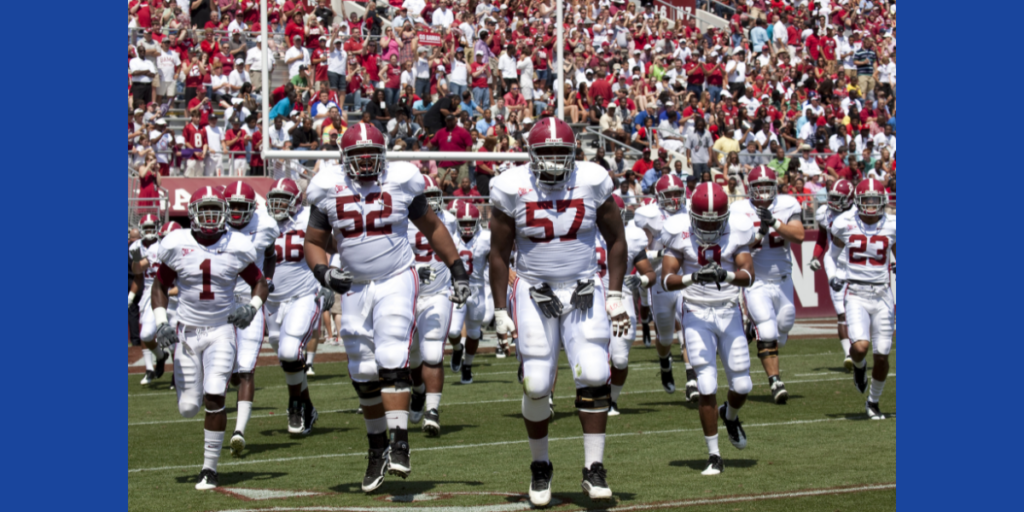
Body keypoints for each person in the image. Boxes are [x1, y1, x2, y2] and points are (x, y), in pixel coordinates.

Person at [303, 122, 470, 492]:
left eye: (372, 156)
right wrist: (324, 273)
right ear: (343, 159)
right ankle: (377, 447)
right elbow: (313, 241)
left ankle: (400, 444)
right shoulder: (328, 186)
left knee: (393, 352)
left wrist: (456, 266)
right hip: (356, 285)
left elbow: (432, 226)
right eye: (358, 157)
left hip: (397, 276)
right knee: (362, 369)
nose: (365, 164)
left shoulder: (402, 179)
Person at [488, 117, 626, 506]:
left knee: (596, 372)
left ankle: (593, 468)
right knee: (535, 383)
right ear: (531, 154)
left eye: (559, 153)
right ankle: (540, 465)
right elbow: (498, 255)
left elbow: (617, 239)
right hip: (534, 291)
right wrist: (501, 309)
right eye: (544, 152)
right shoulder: (510, 186)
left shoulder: (592, 180)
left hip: (583, 287)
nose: (551, 161)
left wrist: (613, 292)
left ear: (573, 154)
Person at [150, 186, 270, 490]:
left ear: (224, 213)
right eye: (204, 211)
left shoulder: (237, 245)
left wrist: (252, 307)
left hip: (221, 330)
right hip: (188, 333)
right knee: (189, 407)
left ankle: (209, 469)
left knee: (216, 393)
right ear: (192, 214)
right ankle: (189, 397)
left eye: (215, 211)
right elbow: (160, 285)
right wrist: (162, 320)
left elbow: (259, 282)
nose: (210, 217)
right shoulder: (177, 243)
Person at [660, 181, 756, 477]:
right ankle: (714, 454)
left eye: (715, 222)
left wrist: (725, 274)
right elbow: (667, 280)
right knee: (706, 383)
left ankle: (730, 414)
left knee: (742, 385)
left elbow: (748, 275)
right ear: (692, 215)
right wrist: (693, 278)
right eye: (703, 221)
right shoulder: (678, 229)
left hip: (728, 310)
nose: (709, 227)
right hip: (696, 312)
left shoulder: (739, 228)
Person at [729, 166, 805, 405]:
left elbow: (799, 235)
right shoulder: (739, 210)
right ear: (750, 189)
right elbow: (734, 248)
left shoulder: (788, 204)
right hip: (756, 281)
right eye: (758, 188)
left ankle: (752, 332)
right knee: (768, 331)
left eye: (767, 187)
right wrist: (759, 235)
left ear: (775, 187)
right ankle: (775, 381)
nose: (762, 193)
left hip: (783, 279)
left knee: (784, 326)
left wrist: (775, 223)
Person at [221, 182, 281, 454]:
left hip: (250, 301)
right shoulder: (214, 225)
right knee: (229, 372)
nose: (234, 212)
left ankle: (239, 431)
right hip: (220, 304)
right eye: (231, 206)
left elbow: (270, 254)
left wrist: (266, 280)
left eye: (240, 206)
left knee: (246, 368)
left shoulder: (265, 225)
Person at [828, 179, 896, 420]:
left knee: (883, 352)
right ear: (857, 201)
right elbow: (830, 256)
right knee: (860, 348)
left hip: (882, 294)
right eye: (865, 200)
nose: (869, 205)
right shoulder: (844, 222)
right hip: (855, 292)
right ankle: (859, 367)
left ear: (882, 201)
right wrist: (833, 276)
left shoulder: (893, 225)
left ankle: (873, 402)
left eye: (873, 201)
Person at [634, 174, 698, 401]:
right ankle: (665, 363)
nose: (673, 198)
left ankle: (692, 378)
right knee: (664, 338)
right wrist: (660, 254)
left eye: (677, 193)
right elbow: (639, 252)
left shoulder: (690, 211)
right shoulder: (649, 216)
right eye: (668, 194)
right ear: (659, 196)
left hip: (685, 278)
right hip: (661, 282)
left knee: (689, 327)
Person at [602, 195, 657, 416]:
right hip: (593, 298)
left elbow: (650, 274)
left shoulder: (632, 237)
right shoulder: (585, 235)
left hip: (622, 298)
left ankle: (612, 400)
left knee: (620, 358)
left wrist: (642, 280)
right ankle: (593, 397)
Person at [810, 179, 856, 370]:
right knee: (841, 313)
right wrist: (815, 256)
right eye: (833, 197)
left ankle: (859, 347)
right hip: (836, 266)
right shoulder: (824, 213)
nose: (834, 202)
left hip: (857, 266)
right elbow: (822, 238)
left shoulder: (857, 214)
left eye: (839, 198)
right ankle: (848, 354)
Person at [447, 201, 493, 382]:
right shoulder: (450, 237)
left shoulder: (486, 238)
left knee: (474, 333)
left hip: (477, 289)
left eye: (470, 223)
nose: (467, 227)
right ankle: (458, 349)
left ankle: (468, 366)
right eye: (463, 223)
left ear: (477, 221)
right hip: (456, 288)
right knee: (452, 331)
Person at [130, 214, 170, 386]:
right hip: (148, 291)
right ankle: (157, 360)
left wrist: (138, 260)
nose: (148, 231)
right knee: (145, 334)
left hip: (168, 289)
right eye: (145, 228)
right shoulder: (136, 245)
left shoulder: (160, 246)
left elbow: (143, 265)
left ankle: (178, 377)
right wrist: (131, 296)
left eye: (150, 227)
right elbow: (138, 275)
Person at [429, 114, 473, 188]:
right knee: (445, 187)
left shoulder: (463, 132)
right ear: (445, 121)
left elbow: (469, 145)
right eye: (448, 120)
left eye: (451, 120)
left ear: (455, 120)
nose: (449, 122)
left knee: (461, 186)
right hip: (444, 165)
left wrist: (467, 160)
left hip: (460, 164)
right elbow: (431, 144)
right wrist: (422, 150)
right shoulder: (440, 132)